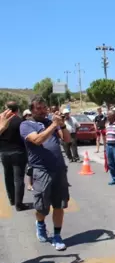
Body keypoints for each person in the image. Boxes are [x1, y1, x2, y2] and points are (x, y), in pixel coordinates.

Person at [20, 97, 71, 251]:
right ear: (32, 110)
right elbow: (37, 140)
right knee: (41, 207)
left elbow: (67, 139)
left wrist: (62, 126)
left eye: (44, 107)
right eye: (38, 108)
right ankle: (40, 224)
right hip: (41, 170)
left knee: (59, 204)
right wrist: (54, 125)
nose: (42, 110)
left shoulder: (51, 122)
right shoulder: (26, 124)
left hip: (59, 169)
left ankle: (57, 235)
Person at [0, 103, 30, 211]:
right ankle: (19, 204)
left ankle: (12, 200)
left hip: (4, 153)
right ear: (17, 110)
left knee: (8, 177)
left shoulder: (1, 121)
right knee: (19, 179)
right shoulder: (20, 122)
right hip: (18, 152)